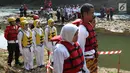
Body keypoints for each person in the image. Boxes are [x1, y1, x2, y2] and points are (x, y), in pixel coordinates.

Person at [78, 3, 98, 73]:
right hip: (87, 60)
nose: (93, 15)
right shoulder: (82, 29)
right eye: (91, 13)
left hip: (92, 58)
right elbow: (80, 50)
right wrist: (84, 67)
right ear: (85, 14)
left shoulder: (89, 25)